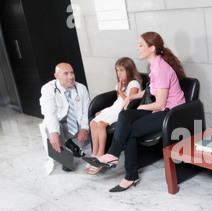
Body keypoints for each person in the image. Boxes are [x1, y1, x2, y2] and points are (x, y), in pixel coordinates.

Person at [83, 32, 185, 192]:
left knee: (129, 130)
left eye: (141, 45)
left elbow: (160, 102)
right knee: (124, 115)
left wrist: (140, 107)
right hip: (160, 109)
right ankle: (115, 156)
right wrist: (130, 98)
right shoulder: (155, 65)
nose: (137, 48)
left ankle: (129, 173)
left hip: (171, 113)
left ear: (152, 48)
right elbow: (150, 90)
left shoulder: (161, 68)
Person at [86, 57, 142, 175]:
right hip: (115, 108)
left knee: (101, 125)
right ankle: (94, 154)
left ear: (129, 70)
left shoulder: (134, 83)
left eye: (121, 70)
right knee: (93, 123)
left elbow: (128, 100)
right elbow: (116, 102)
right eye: (117, 70)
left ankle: (101, 154)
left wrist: (120, 89)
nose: (119, 73)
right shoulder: (119, 85)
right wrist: (104, 110)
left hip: (124, 110)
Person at [40, 63, 90, 172]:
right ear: (56, 76)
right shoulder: (48, 89)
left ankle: (70, 144)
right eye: (66, 73)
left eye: (72, 72)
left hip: (73, 122)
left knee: (90, 134)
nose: (71, 77)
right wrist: (53, 132)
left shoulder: (81, 88)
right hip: (57, 123)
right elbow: (50, 113)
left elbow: (86, 111)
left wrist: (84, 128)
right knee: (55, 132)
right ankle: (66, 157)